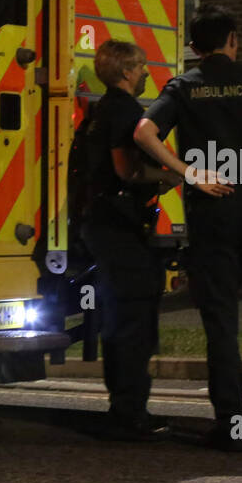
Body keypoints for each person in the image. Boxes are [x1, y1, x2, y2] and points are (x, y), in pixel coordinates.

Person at [134, 5, 242, 452]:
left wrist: (188, 173)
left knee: (221, 326)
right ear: (233, 39)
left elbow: (143, 132)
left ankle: (232, 426)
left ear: (194, 47)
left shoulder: (185, 87)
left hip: (213, 214)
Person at [80, 40, 182, 441]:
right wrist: (172, 176)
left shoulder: (101, 110)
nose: (144, 73)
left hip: (104, 225)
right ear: (125, 72)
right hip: (119, 228)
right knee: (134, 318)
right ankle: (130, 413)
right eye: (140, 67)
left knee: (121, 318)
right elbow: (127, 171)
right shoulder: (123, 111)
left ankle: (123, 407)